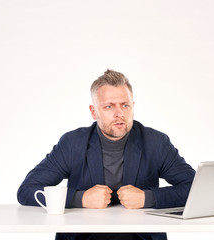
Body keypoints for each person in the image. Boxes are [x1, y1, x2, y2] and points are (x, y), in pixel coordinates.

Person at [17, 69, 196, 240]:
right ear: (94, 112)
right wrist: (81, 198)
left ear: (133, 106)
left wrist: (147, 197)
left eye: (125, 105)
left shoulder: (156, 142)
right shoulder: (72, 144)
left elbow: (195, 189)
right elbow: (27, 190)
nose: (119, 114)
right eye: (109, 106)